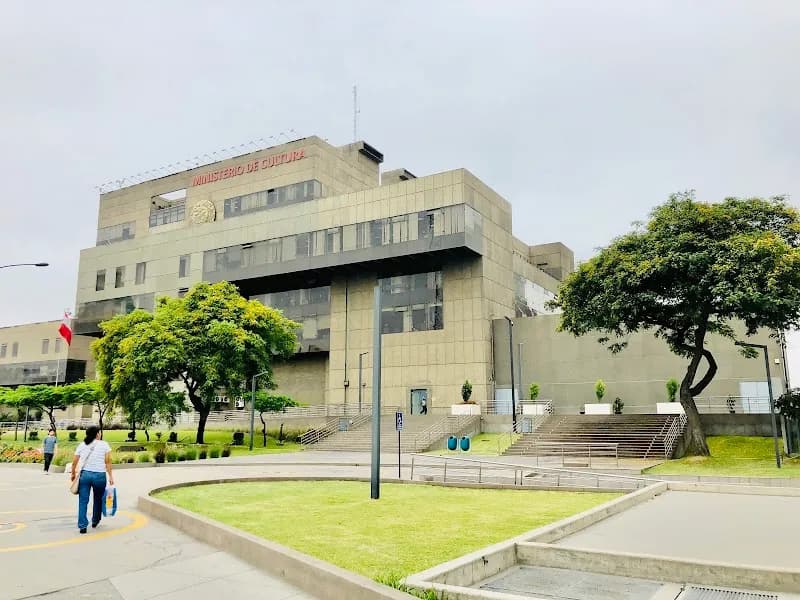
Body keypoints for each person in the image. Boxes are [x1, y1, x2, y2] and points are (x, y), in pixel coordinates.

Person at [70, 425, 114, 534]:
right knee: (98, 499)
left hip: (85, 475)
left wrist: (73, 473)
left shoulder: (82, 444)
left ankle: (82, 526)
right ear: (97, 434)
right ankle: (95, 520)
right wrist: (111, 476)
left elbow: (75, 460)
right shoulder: (104, 445)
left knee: (83, 500)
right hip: (100, 476)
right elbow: (108, 461)